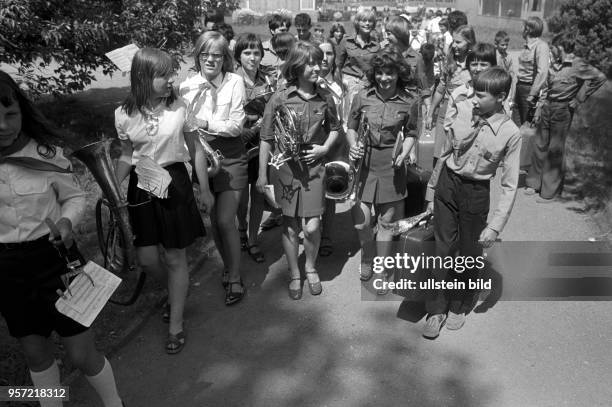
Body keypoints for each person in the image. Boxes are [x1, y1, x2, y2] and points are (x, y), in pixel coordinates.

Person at [0, 70, 124, 406]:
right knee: (35, 354)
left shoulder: (44, 153)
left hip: (57, 259)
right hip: (8, 269)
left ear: (22, 112)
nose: (3, 125)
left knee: (82, 353)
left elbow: (73, 197)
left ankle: (115, 404)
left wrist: (68, 222)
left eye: (10, 114)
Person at [115, 48, 211, 354]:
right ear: (143, 77)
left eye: (173, 73)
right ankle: (175, 289)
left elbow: (196, 150)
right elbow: (127, 156)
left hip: (174, 184)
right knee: (146, 258)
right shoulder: (122, 114)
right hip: (141, 186)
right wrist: (112, 187)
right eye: (164, 74)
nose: (173, 80)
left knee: (174, 256)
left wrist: (204, 188)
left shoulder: (179, 107)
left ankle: (176, 324)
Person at [422, 67, 521, 339]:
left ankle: (459, 303)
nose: (473, 99)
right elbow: (444, 153)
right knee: (442, 250)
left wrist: (495, 226)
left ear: (500, 97)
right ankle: (436, 309)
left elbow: (510, 184)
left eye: (480, 95)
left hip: (476, 192)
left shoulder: (511, 133)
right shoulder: (463, 110)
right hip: (448, 184)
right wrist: (432, 191)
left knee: (467, 253)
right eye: (473, 93)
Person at [257, 42, 342, 299]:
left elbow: (336, 128)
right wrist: (262, 175)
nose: (318, 67)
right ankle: (296, 273)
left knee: (313, 227)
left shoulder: (326, 97)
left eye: (320, 61)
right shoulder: (280, 97)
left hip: (315, 169)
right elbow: (266, 137)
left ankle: (311, 266)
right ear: (297, 66)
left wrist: (324, 149)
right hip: (286, 171)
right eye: (312, 63)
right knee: (290, 226)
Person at [180, 31, 247, 306]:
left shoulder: (235, 82)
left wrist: (206, 124)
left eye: (217, 54)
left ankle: (235, 276)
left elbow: (236, 125)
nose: (211, 59)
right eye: (205, 53)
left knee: (224, 220)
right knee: (215, 227)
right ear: (198, 56)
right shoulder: (187, 86)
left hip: (231, 159)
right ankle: (228, 267)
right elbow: (183, 129)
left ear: (225, 58)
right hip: (202, 160)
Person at [348, 46, 419, 290]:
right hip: (364, 165)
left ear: (399, 74)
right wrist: (352, 145)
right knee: (361, 222)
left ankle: (380, 267)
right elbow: (351, 126)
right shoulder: (362, 96)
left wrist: (405, 153)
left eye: (389, 73)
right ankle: (367, 255)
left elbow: (412, 132)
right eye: (379, 73)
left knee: (387, 223)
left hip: (391, 166)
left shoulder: (410, 101)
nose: (384, 78)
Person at [524, 33, 606, 202]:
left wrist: (579, 98)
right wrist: (539, 107)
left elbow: (600, 77)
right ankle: (534, 183)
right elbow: (546, 88)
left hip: (563, 110)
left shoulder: (579, 65)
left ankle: (549, 191)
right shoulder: (554, 63)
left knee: (555, 150)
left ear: (560, 48)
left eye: (553, 48)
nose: (551, 51)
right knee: (540, 144)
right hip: (547, 107)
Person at [234, 33, 272, 263]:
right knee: (240, 197)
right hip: (237, 145)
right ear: (238, 55)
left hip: (261, 144)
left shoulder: (267, 80)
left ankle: (253, 239)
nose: (253, 57)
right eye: (247, 52)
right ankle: (241, 229)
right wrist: (241, 128)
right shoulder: (229, 79)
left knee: (258, 192)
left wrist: (259, 124)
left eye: (256, 52)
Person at [259, 31, 296, 231]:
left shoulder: (292, 69)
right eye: (279, 53)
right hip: (279, 134)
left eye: (286, 53)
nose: (282, 58)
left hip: (293, 129)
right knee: (278, 173)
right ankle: (277, 211)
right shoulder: (275, 72)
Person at [425, 25, 476, 167]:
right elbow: (440, 90)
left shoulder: (475, 65)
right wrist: (430, 113)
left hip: (465, 114)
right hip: (445, 111)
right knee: (439, 156)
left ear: (469, 43)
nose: (454, 45)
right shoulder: (449, 62)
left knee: (459, 155)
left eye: (459, 42)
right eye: (453, 41)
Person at [318, 39, 346, 257]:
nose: (325, 58)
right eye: (321, 54)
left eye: (329, 53)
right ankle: (311, 233)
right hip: (315, 141)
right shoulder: (309, 83)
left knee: (330, 189)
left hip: (336, 143)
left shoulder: (340, 85)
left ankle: (326, 235)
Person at [336, 9, 380, 127]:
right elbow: (337, 65)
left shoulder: (376, 45)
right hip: (350, 84)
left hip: (368, 84)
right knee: (349, 117)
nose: (367, 23)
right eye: (363, 20)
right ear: (357, 23)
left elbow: (378, 67)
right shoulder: (346, 41)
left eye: (370, 21)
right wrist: (342, 85)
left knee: (366, 117)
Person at [514, 16, 550, 125]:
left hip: (529, 89)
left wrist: (532, 94)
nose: (521, 29)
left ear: (527, 29)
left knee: (527, 125)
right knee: (515, 124)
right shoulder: (527, 46)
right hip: (520, 87)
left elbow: (542, 72)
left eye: (522, 26)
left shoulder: (541, 46)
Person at [494, 31, 517, 113]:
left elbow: (512, 75)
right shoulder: (493, 55)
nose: (505, 47)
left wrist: (512, 94)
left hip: (504, 86)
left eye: (506, 45)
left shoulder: (509, 57)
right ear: (496, 44)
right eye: (502, 45)